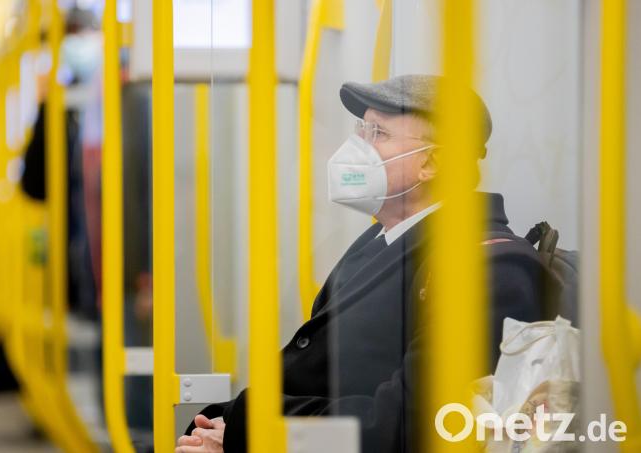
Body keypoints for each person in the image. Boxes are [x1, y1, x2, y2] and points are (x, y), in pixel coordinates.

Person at [176, 74, 552, 453]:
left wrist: (253, 433)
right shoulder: (380, 239)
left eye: (378, 134)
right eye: (361, 130)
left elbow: (406, 427)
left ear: (432, 161)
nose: (356, 148)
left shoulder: (486, 269)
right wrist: (224, 423)